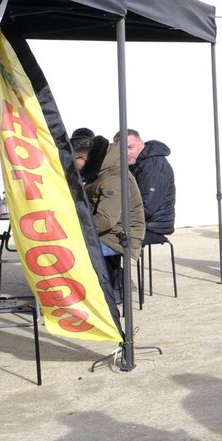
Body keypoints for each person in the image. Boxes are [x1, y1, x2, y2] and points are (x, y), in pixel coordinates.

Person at [72, 132, 142, 316]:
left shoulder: (113, 176)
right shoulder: (102, 168)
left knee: (69, 250)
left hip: (119, 238)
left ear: (83, 157)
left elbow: (105, 220)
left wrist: (74, 231)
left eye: (73, 162)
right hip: (109, 232)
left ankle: (94, 301)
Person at [117, 129, 175, 246]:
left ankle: (113, 265)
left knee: (105, 240)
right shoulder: (136, 162)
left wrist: (116, 219)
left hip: (153, 226)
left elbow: (147, 207)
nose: (126, 153)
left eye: (130, 147)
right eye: (121, 150)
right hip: (143, 221)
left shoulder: (152, 166)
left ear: (141, 143)